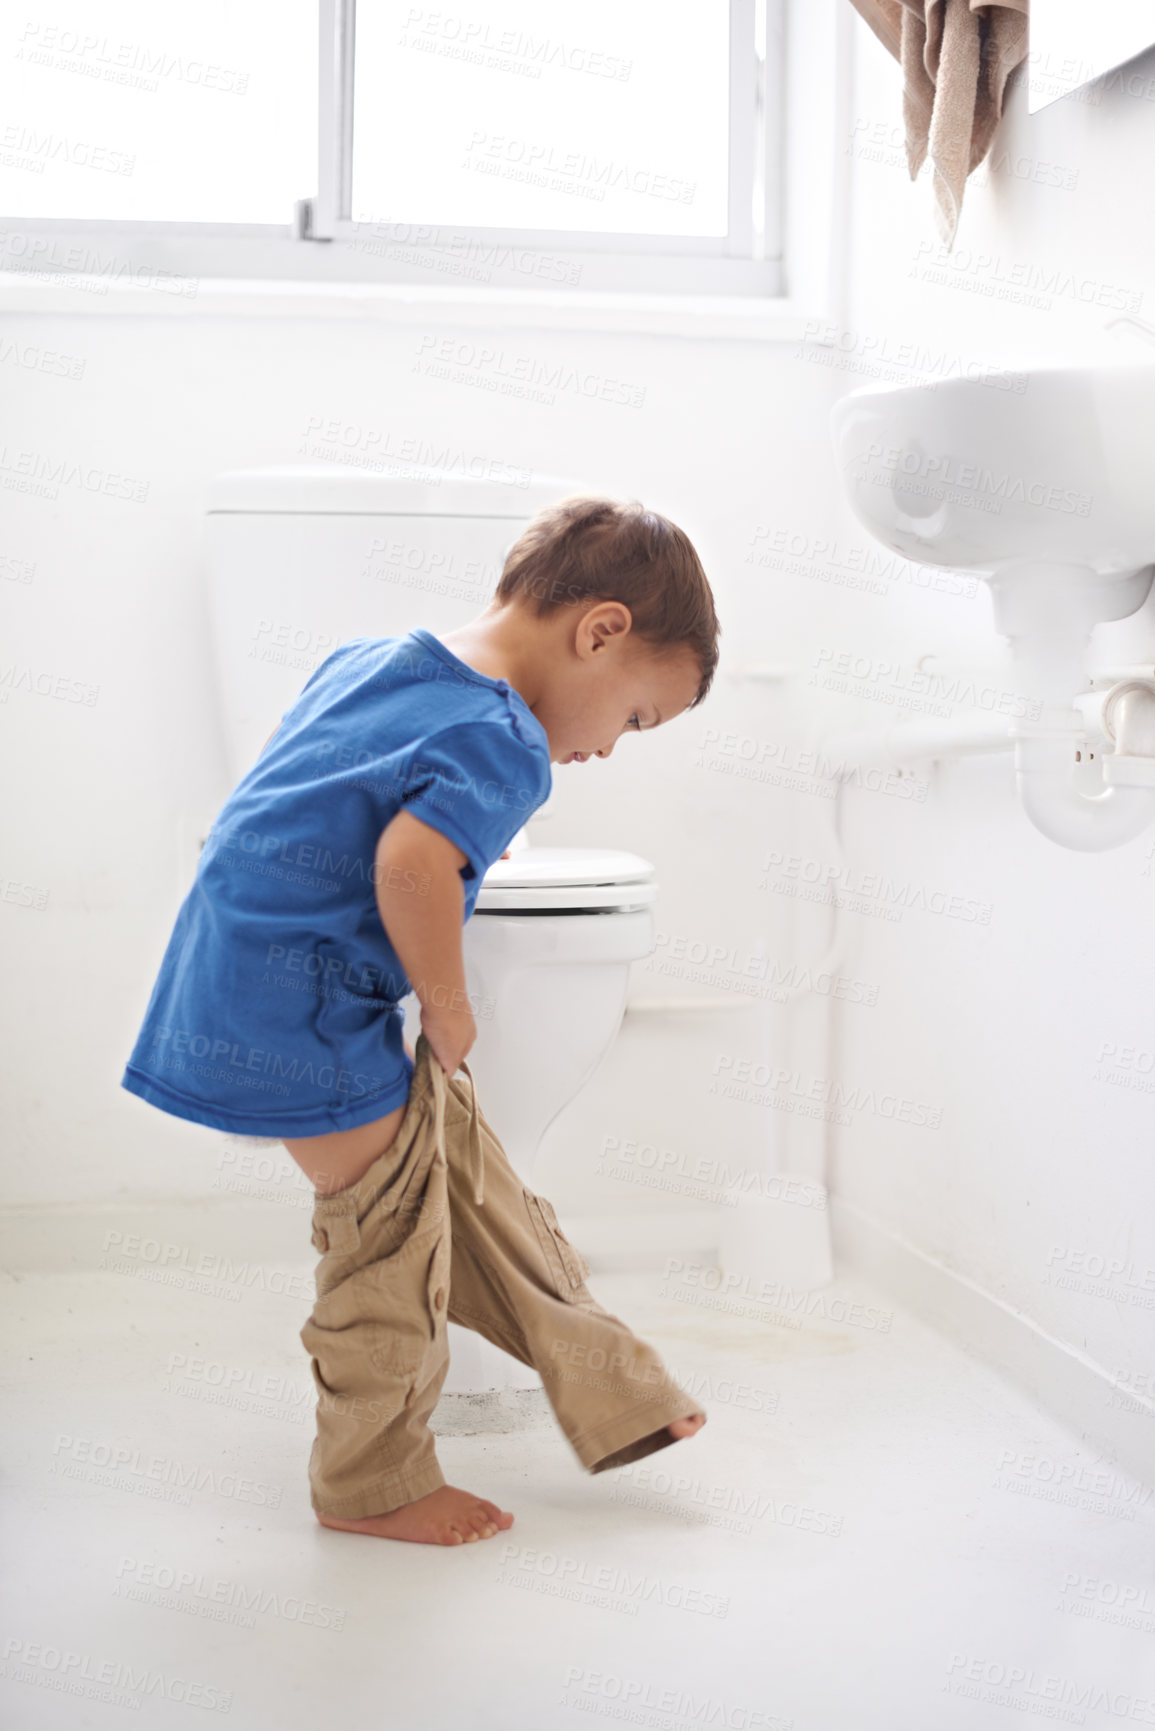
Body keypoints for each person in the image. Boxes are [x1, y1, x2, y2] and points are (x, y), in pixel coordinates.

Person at [121, 493, 721, 1547]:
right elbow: (411, 862)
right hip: (302, 1008)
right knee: (391, 1251)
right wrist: (449, 1014)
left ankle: (615, 1381)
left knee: (460, 1175)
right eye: (635, 719)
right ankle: (374, 1480)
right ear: (601, 631)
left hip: (232, 971)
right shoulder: (505, 737)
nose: (611, 751)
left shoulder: (372, 658)